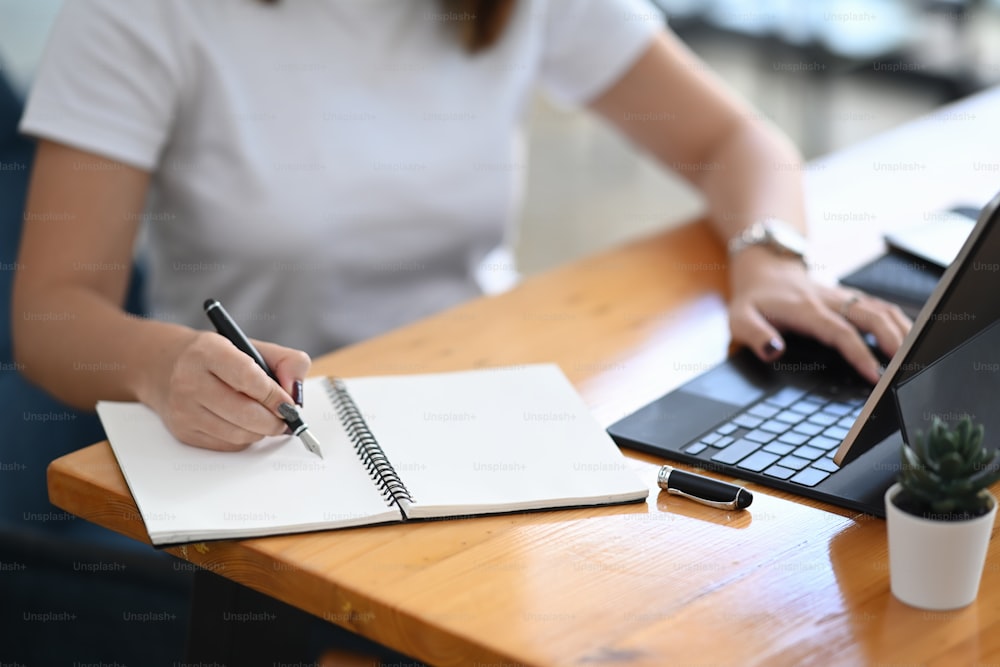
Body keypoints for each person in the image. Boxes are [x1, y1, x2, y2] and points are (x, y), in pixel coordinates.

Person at [13, 0, 910, 454]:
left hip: (479, 415)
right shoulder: (136, 14)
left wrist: (772, 259)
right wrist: (158, 362)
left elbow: (732, 138)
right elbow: (53, 311)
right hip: (257, 443)